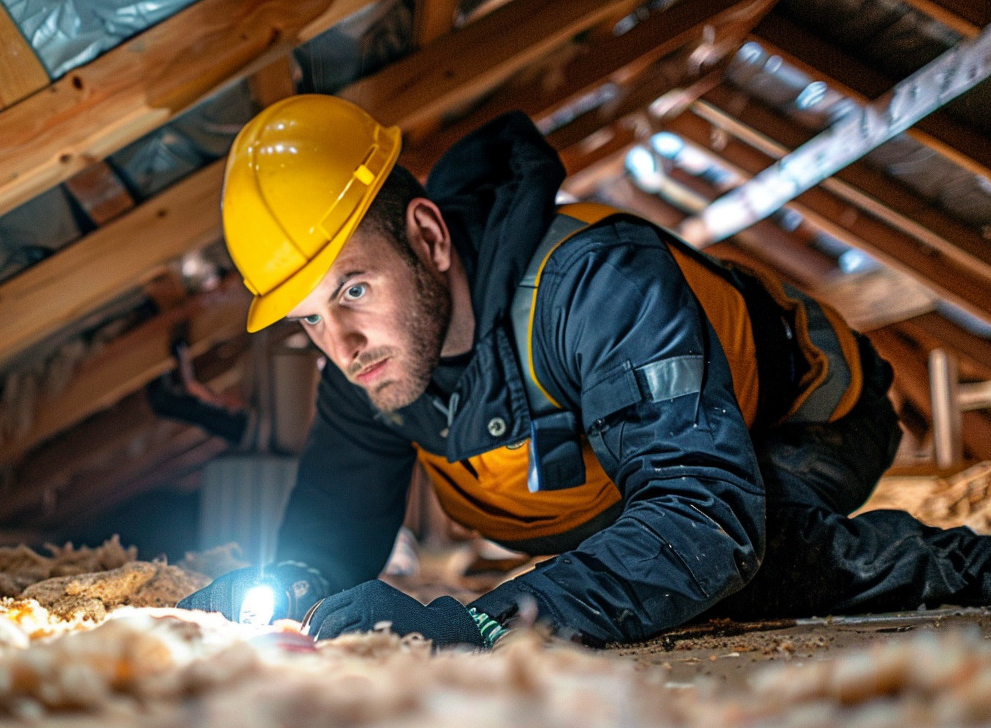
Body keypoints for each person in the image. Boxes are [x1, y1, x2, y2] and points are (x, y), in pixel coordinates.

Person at [179, 94, 991, 647]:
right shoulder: (369, 368)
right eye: (309, 320)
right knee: (636, 566)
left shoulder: (597, 285)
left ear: (428, 238)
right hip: (636, 485)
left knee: (738, 566)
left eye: (353, 289)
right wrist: (292, 583)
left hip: (807, 418)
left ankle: (967, 566)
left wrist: (487, 625)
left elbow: (704, 519)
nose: (343, 342)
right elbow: (335, 531)